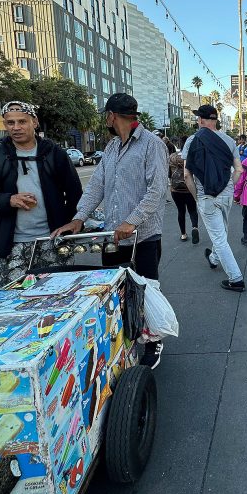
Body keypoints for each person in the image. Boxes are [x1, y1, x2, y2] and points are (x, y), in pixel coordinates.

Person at [52, 93, 168, 368]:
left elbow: (157, 190)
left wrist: (133, 221)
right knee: (114, 291)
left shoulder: (152, 145)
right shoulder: (113, 147)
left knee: (146, 291)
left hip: (144, 236)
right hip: (112, 236)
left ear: (111, 116)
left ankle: (154, 340)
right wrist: (79, 218)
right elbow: (96, 187)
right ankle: (121, 343)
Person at [0, 100, 82, 287]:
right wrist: (8, 200)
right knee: (11, 301)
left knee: (59, 297)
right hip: (11, 245)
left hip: (52, 241)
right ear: (4, 125)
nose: (16, 127)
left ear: (34, 122)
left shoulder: (55, 154)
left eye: (22, 121)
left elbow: (75, 194)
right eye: (10, 123)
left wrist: (71, 223)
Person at [182, 104, 245, 291]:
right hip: (225, 194)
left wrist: (197, 197)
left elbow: (187, 175)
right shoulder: (229, 141)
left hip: (206, 196)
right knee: (222, 231)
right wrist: (229, 187)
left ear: (201, 120)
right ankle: (213, 258)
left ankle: (236, 278)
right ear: (215, 120)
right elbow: (239, 170)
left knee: (219, 238)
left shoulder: (192, 141)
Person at [169, 138, 199, 244]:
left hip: (175, 189)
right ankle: (195, 227)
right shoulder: (191, 157)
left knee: (181, 211)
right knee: (192, 210)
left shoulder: (172, 157)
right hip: (189, 188)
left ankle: (183, 234)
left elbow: (169, 174)